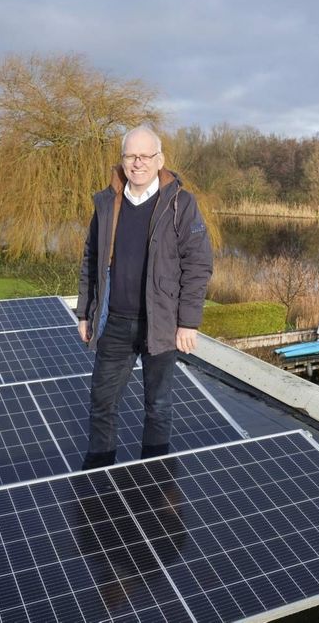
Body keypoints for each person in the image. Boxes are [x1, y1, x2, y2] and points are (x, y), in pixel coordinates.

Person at [77, 126, 213, 469]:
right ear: (122, 160)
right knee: (102, 403)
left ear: (160, 160)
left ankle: (152, 480)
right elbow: (91, 257)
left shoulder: (181, 203)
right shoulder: (107, 202)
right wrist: (85, 312)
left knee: (158, 405)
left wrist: (188, 323)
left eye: (144, 156)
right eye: (130, 156)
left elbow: (198, 265)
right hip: (116, 323)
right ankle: (99, 477)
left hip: (162, 323)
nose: (137, 163)